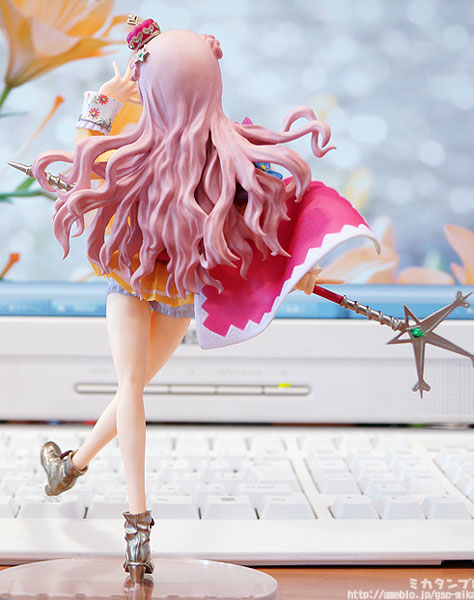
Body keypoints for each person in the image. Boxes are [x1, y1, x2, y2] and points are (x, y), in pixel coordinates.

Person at [33, 19, 376, 584]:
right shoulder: (224, 158)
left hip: (131, 282)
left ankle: (126, 518)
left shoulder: (135, 154)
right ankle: (75, 473)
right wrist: (292, 268)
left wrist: (102, 102)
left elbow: (79, 163)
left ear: (151, 88)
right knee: (132, 389)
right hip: (172, 292)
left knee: (130, 388)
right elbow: (263, 218)